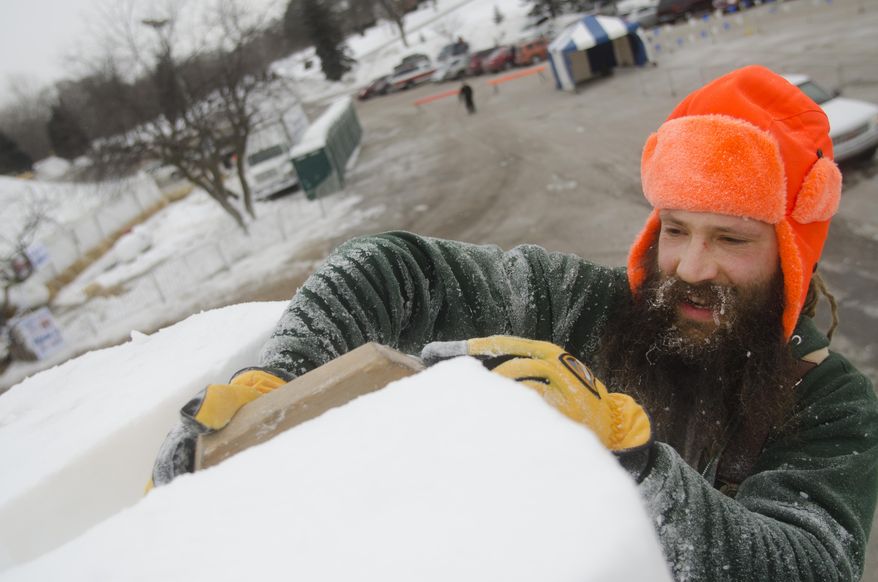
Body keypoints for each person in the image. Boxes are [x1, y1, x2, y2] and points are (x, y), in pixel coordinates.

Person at [150, 66, 878, 581]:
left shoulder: (832, 404)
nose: (689, 267)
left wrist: (631, 457)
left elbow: (804, 564)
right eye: (676, 228)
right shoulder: (588, 307)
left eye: (731, 239)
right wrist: (280, 377)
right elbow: (392, 268)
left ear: (791, 256)